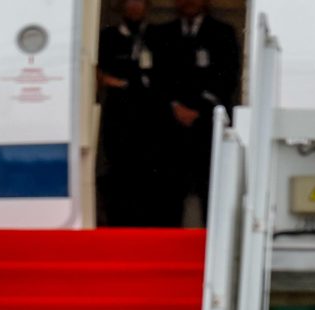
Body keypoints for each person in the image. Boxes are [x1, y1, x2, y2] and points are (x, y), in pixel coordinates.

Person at [150, 0, 239, 225]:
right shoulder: (162, 33)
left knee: (210, 184)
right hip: (170, 122)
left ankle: (213, 242)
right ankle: (167, 242)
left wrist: (199, 108)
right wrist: (174, 106)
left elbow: (228, 77)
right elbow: (156, 77)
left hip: (208, 122)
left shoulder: (223, 32)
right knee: (169, 185)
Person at [96, 0, 166, 227]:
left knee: (149, 173)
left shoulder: (157, 35)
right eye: (130, 2)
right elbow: (98, 73)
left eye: (140, 2)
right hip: (118, 117)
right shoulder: (107, 37)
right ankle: (118, 223)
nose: (135, 7)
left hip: (151, 117)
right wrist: (115, 83)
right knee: (119, 171)